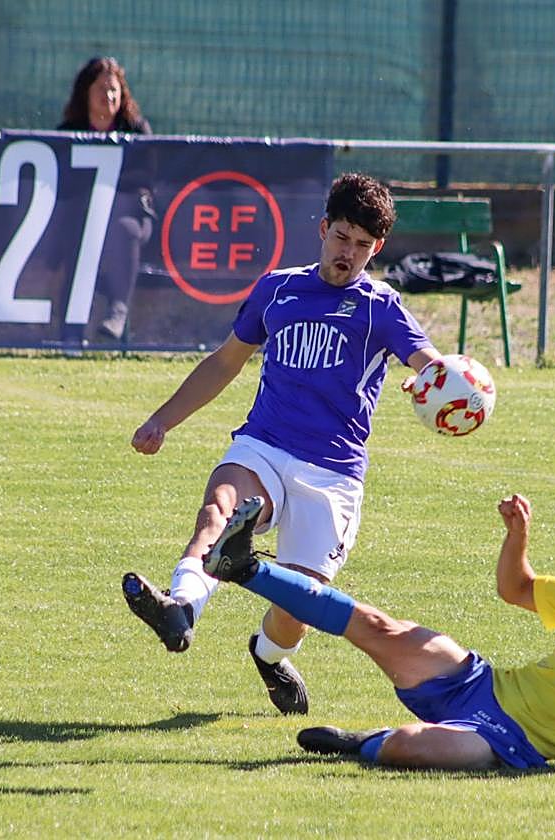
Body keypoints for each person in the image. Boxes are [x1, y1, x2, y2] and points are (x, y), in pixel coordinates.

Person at [122, 173, 443, 715]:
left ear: (377, 248)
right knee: (218, 514)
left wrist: (435, 382)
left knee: (298, 602)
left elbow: (430, 364)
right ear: (322, 229)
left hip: (334, 473)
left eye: (363, 245)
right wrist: (163, 420)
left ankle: (269, 656)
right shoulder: (277, 289)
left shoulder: (380, 307)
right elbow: (226, 360)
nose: (349, 253)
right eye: (342, 237)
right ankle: (180, 608)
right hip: (263, 447)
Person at [199, 436, 555, 769]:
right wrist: (517, 537)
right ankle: (245, 568)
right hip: (484, 684)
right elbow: (517, 590)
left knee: (408, 746)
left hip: (514, 741)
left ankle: (362, 741)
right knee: (380, 626)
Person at [57, 56, 154, 340]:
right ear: (85, 93)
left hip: (132, 220)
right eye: (101, 89)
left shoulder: (136, 131)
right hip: (80, 224)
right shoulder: (68, 134)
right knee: (79, 238)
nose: (108, 96)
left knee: (122, 227)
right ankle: (70, 336)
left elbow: (146, 180)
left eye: (114, 90)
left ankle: (118, 311)